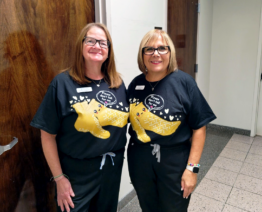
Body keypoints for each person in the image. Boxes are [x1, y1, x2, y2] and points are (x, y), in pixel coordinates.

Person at [30, 23, 129, 212]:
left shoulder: (117, 83)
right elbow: (47, 135)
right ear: (81, 45)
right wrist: (59, 178)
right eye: (91, 40)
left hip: (111, 170)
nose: (97, 46)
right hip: (76, 174)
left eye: (103, 42)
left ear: (109, 49)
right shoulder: (62, 83)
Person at [127, 29, 216, 212]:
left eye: (162, 48)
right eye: (149, 49)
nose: (155, 54)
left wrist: (192, 169)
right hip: (140, 160)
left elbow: (199, 127)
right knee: (148, 206)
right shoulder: (136, 84)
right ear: (142, 54)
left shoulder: (184, 83)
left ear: (170, 53)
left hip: (174, 162)